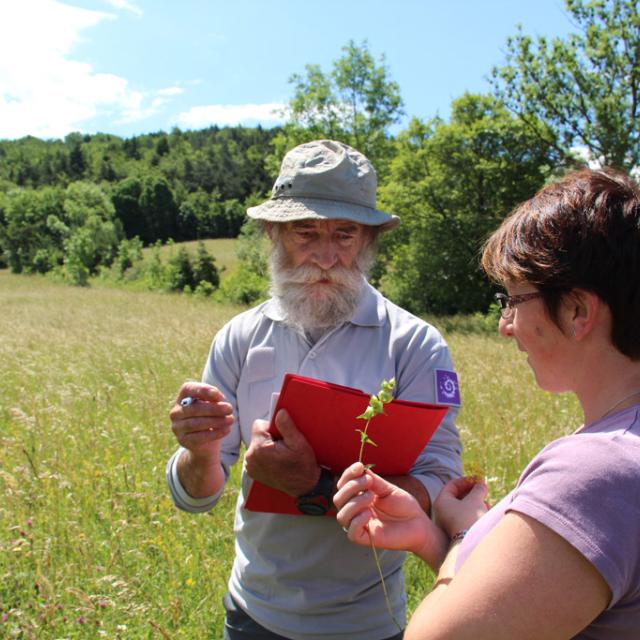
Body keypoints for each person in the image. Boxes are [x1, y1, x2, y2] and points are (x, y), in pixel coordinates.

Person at [166, 139, 463, 640]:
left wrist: (315, 487)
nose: (326, 256)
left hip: (367, 624)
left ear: (367, 242)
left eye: (345, 234)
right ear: (273, 235)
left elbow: (440, 479)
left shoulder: (415, 344)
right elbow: (198, 495)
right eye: (306, 232)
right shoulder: (239, 337)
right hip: (253, 613)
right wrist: (200, 452)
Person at [334, 167, 640, 639]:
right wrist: (430, 536)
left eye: (514, 300)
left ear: (578, 310)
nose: (505, 325)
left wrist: (460, 536)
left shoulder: (599, 472)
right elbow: (535, 605)